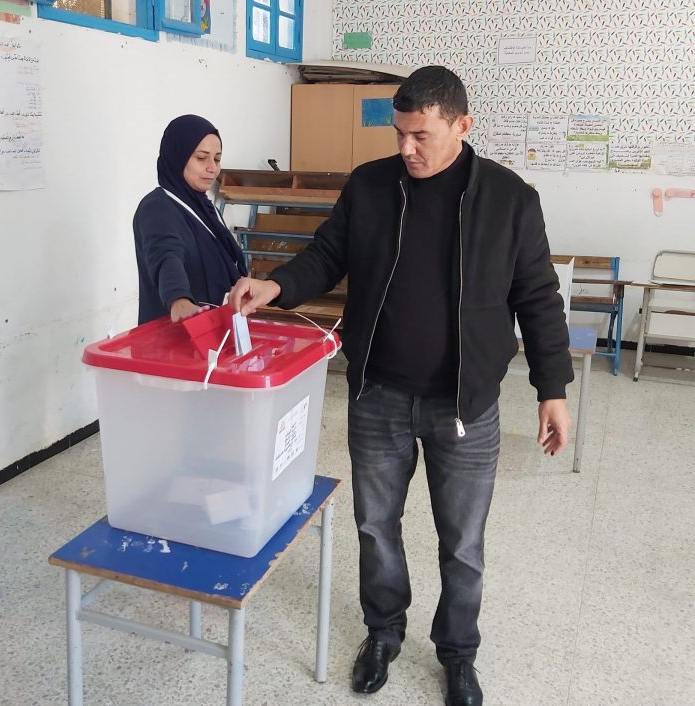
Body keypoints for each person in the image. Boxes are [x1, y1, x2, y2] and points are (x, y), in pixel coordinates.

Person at [228, 66, 574, 706]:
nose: (407, 148)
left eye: (421, 135)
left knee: (462, 543)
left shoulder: (509, 199)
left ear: (462, 126)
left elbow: (538, 297)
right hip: (378, 395)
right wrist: (277, 284)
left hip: (465, 405)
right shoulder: (370, 186)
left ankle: (457, 654)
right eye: (399, 134)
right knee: (376, 525)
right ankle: (383, 633)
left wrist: (551, 387)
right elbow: (328, 254)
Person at [133, 114, 247, 325]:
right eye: (201, 158)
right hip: (178, 334)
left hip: (214, 331)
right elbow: (165, 255)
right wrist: (179, 299)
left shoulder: (206, 208)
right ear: (178, 156)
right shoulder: (157, 207)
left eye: (217, 159)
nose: (212, 168)